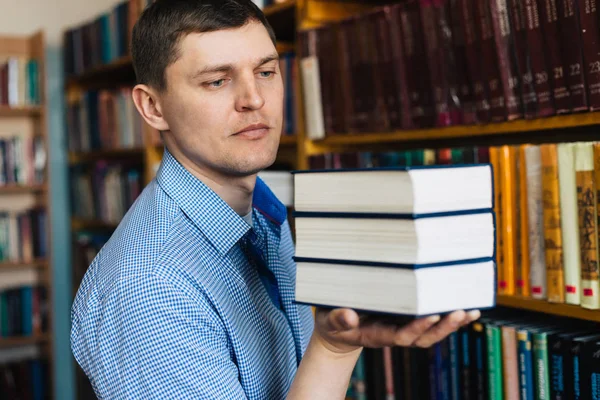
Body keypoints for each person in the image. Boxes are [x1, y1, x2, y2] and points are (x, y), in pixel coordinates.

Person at [70, 0, 481, 398]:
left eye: (266, 71)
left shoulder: (265, 214)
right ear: (153, 107)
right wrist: (332, 350)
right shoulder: (148, 289)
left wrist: (341, 341)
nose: (255, 98)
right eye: (217, 80)